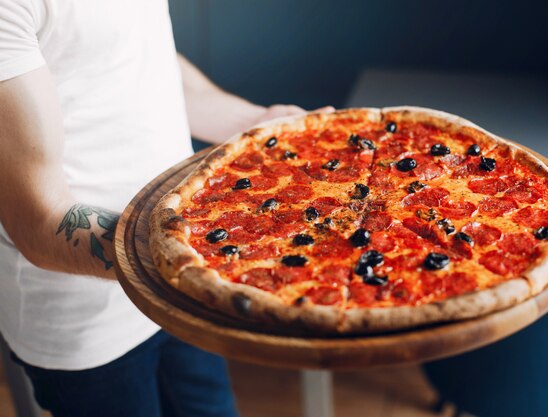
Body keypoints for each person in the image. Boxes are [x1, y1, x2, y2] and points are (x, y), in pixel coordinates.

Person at [0, 1, 320, 416]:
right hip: (87, 321)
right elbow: (39, 222)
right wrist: (194, 251)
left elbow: (135, 54)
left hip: (184, 286)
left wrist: (254, 119)